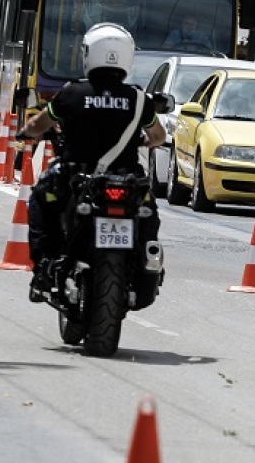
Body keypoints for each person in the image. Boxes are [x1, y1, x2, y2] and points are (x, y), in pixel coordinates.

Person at [16, 22, 166, 303]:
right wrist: (146, 142)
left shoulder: (72, 93)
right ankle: (149, 258)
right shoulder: (138, 98)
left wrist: (26, 132)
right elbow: (158, 135)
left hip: (76, 176)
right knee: (148, 212)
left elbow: (39, 124)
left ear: (89, 54)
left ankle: (45, 267)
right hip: (126, 177)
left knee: (40, 199)